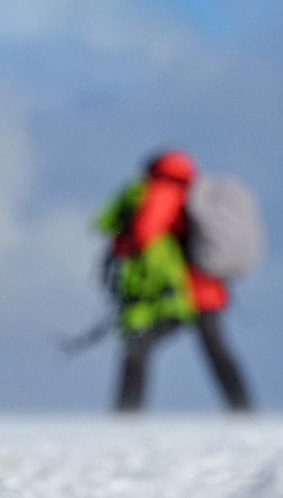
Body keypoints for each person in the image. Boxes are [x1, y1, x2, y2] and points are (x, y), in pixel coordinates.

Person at [97, 150, 252, 412]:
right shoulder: (191, 192)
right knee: (217, 352)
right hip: (209, 288)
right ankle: (243, 409)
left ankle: (126, 413)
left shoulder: (163, 191)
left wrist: (122, 244)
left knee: (138, 348)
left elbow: (145, 232)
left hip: (180, 291)